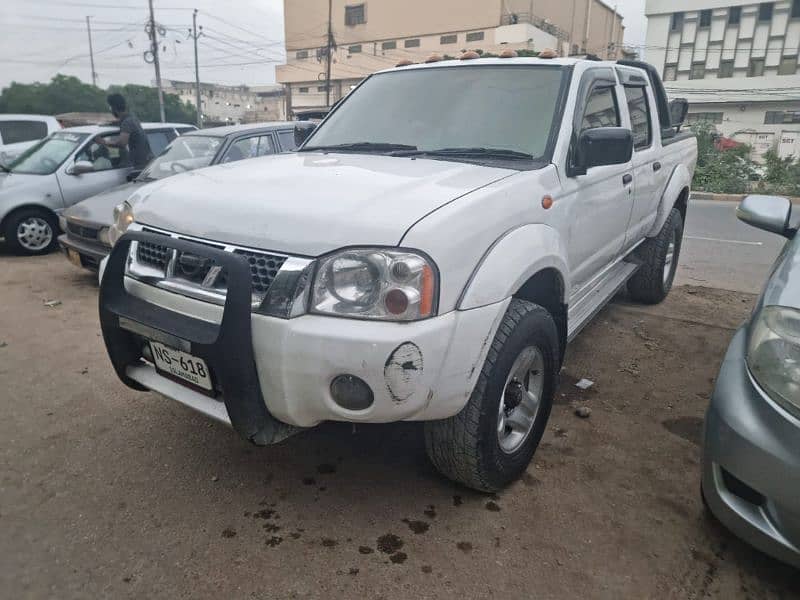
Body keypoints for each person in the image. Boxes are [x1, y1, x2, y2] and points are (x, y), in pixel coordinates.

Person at [94, 94, 153, 169]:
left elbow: (122, 143)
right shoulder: (133, 118)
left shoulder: (127, 122)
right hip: (147, 162)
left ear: (113, 108)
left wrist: (103, 142)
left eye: (110, 107)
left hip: (140, 166)